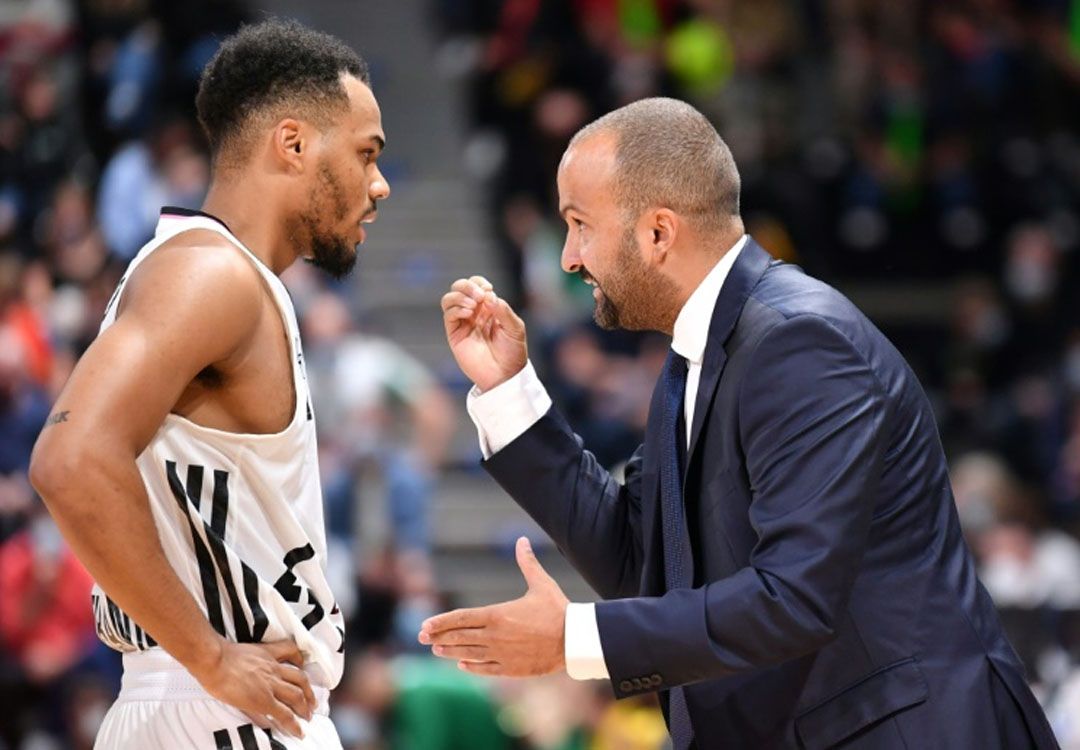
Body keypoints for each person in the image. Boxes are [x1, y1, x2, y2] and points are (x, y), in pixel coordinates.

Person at [422, 98, 1059, 748]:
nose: (569, 258)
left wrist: (574, 639)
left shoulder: (800, 341)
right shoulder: (693, 360)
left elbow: (793, 598)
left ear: (657, 234)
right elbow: (641, 562)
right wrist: (507, 390)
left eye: (580, 224)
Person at [29, 19, 390, 749]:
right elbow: (69, 461)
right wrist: (211, 656)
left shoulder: (207, 272)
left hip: (207, 703)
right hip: (222, 709)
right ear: (292, 144)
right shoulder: (209, 274)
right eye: (366, 155)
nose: (378, 185)